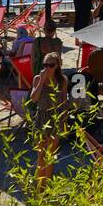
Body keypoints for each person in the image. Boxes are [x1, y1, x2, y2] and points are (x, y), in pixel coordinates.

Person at [31, 51, 69, 183]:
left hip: (55, 117)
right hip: (42, 116)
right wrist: (41, 80)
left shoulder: (62, 80)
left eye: (51, 65)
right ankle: (39, 185)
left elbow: (64, 103)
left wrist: (64, 121)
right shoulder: (38, 78)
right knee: (41, 155)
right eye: (45, 65)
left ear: (57, 66)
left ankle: (46, 185)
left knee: (51, 154)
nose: (47, 68)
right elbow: (34, 99)